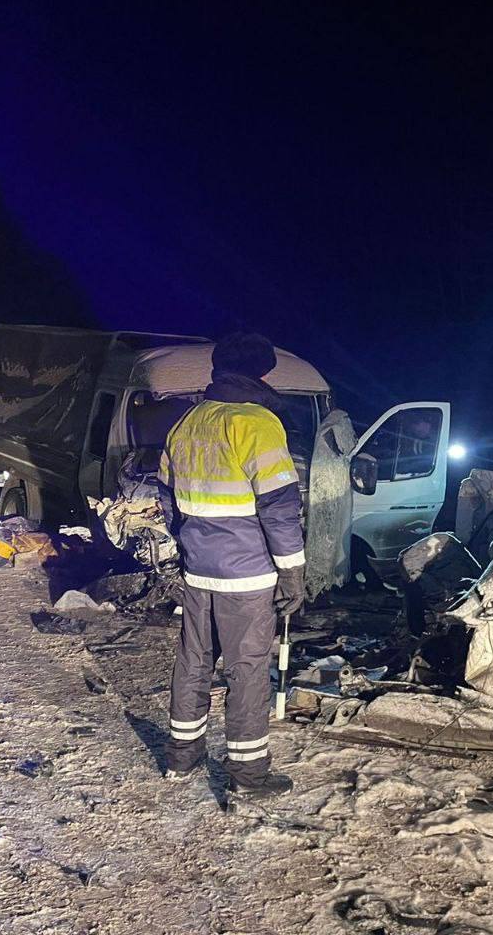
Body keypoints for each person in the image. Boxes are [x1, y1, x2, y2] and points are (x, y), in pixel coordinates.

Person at [156, 333, 305, 800]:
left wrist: (188, 549)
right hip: (248, 574)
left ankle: (182, 757)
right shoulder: (257, 423)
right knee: (247, 669)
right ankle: (248, 775)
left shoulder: (188, 422)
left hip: (199, 569)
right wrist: (293, 569)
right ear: (262, 373)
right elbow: (279, 506)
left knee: (193, 661)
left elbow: (168, 499)